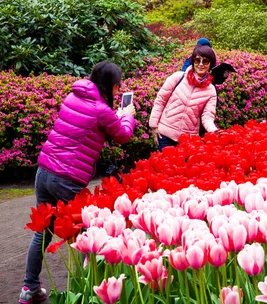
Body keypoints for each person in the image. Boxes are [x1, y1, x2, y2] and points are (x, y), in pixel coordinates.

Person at [19, 61, 136, 304]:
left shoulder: (74, 96)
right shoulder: (102, 110)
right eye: (118, 87)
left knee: (42, 233)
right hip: (68, 179)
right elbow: (123, 136)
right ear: (111, 86)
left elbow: (88, 123)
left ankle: (29, 288)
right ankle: (90, 291)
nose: (119, 91)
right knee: (89, 234)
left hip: (44, 171)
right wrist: (127, 117)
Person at [150, 45, 218, 151]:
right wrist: (153, 126)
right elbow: (161, 100)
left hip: (188, 140)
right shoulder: (178, 77)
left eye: (205, 61)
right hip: (165, 135)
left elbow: (207, 116)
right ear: (192, 61)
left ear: (210, 64)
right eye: (197, 60)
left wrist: (213, 130)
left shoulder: (211, 90)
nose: (200, 64)